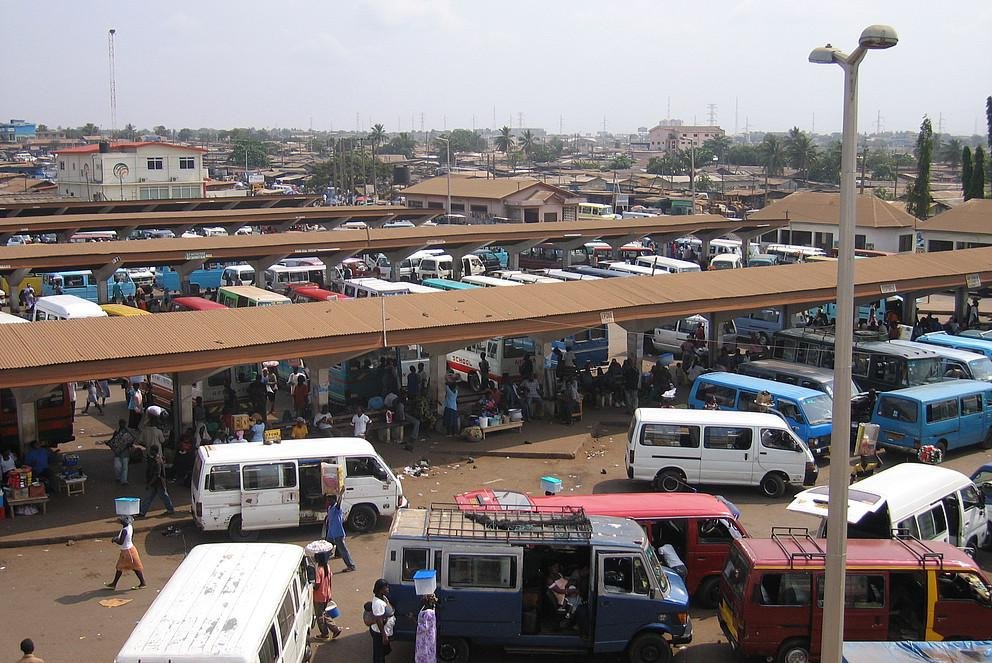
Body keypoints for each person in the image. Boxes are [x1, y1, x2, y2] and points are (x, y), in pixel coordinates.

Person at [105, 515, 147, 591]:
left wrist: (114, 539)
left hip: (128, 552)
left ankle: (142, 583)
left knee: (134, 567)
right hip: (129, 549)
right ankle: (114, 584)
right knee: (121, 567)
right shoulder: (130, 527)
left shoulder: (124, 530)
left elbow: (121, 542)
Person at [312, 551, 342, 640]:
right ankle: (334, 629)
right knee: (324, 614)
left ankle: (326, 633)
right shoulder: (327, 567)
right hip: (326, 594)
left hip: (319, 596)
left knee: (320, 616)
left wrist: (312, 586)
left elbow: (317, 585)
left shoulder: (319, 570)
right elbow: (329, 581)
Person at [138, 448, 175, 517]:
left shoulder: (157, 461)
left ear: (155, 452)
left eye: (152, 451)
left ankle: (170, 509)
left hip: (158, 483)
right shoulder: (155, 460)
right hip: (156, 483)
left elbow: (157, 475)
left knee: (162, 496)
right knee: (150, 497)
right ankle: (142, 512)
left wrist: (149, 484)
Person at [325, 494, 356, 572]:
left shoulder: (337, 508)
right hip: (331, 533)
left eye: (330, 500)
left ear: (334, 500)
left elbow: (339, 502)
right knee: (327, 549)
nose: (328, 501)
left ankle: (351, 565)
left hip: (338, 533)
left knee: (343, 550)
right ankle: (323, 564)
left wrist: (341, 494)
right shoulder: (329, 508)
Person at [369, 579, 395, 663]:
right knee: (379, 655)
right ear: (380, 590)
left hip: (382, 631)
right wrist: (384, 635)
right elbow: (378, 620)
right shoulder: (377, 604)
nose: (388, 589)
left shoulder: (383, 597)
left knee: (382, 652)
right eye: (386, 587)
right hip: (379, 633)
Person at [106, 419, 138, 486]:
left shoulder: (127, 433)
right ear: (119, 424)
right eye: (121, 423)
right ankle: (118, 477)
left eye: (123, 424)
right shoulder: (116, 433)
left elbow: (131, 442)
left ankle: (124, 481)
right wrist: (108, 443)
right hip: (118, 453)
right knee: (117, 467)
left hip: (125, 453)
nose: (122, 425)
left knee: (124, 468)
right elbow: (112, 441)